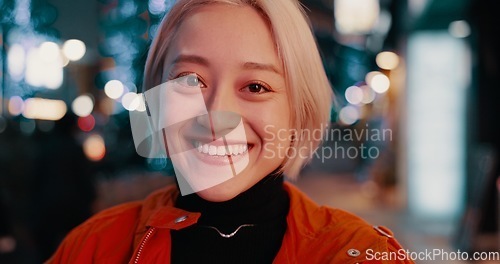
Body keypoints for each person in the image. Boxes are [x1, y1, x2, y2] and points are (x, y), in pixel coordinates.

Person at [47, 0, 413, 263]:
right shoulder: (93, 247)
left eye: (255, 86)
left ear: (298, 111)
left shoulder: (359, 254)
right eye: (190, 79)